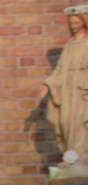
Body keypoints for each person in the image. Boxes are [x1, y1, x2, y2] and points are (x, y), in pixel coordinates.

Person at [41, 6, 88, 159]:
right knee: (65, 121)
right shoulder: (70, 45)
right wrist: (47, 84)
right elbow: (60, 69)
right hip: (68, 90)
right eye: (71, 23)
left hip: (83, 92)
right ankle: (71, 156)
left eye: (77, 23)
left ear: (84, 22)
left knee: (80, 124)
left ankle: (82, 157)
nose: (73, 26)